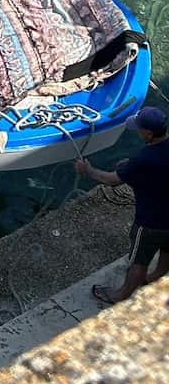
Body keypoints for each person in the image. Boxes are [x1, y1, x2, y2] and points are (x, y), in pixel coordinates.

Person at [75, 105, 169, 305]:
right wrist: (130, 167)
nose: (138, 132)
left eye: (140, 129)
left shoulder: (143, 159)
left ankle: (121, 295)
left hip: (151, 223)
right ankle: (155, 277)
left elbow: (112, 180)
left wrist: (88, 170)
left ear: (149, 133)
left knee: (138, 262)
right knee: (168, 250)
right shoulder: (146, 158)